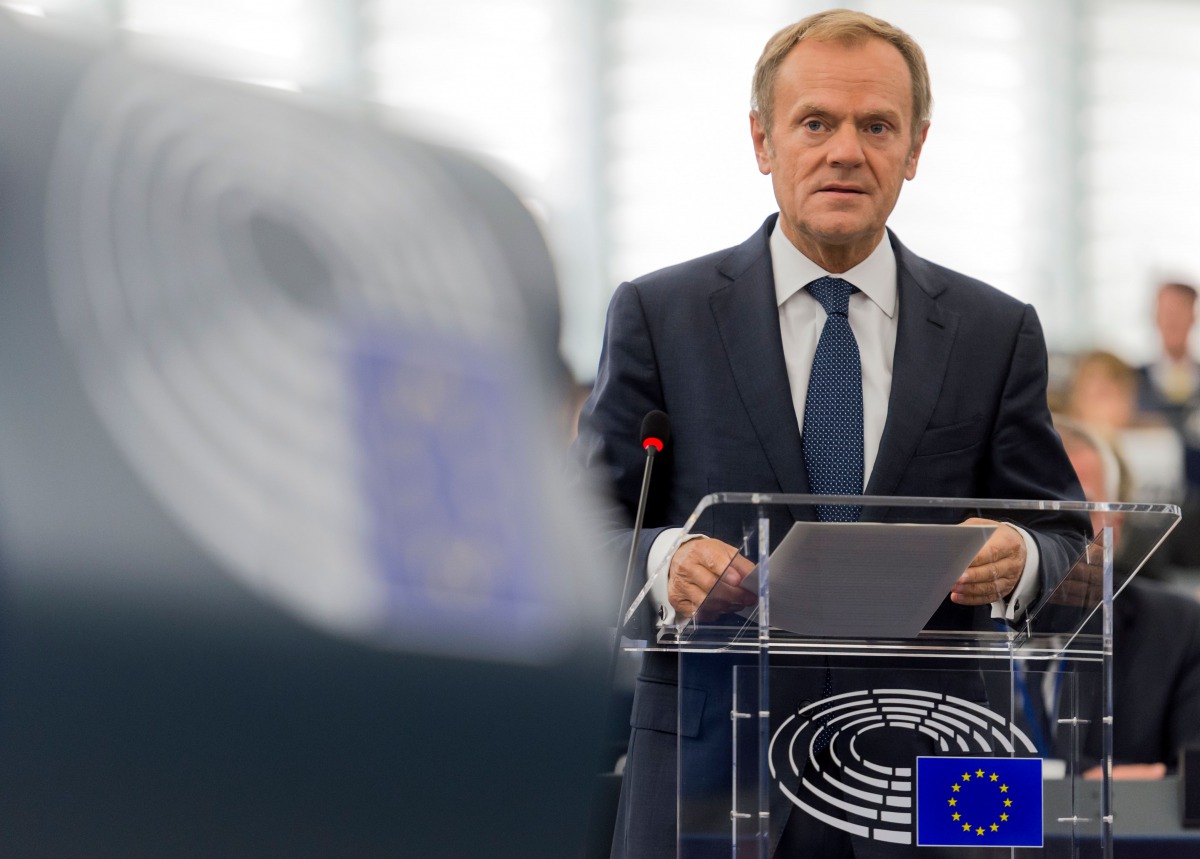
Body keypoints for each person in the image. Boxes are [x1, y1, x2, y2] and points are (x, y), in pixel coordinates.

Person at [575, 9, 1086, 857]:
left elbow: (1064, 530)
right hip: (715, 768)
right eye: (815, 122)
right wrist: (665, 559)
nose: (846, 150)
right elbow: (580, 528)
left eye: (877, 126)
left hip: (940, 765)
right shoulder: (659, 314)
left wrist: (1022, 555)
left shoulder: (997, 329)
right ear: (763, 140)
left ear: (915, 148)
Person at [1054, 418, 1200, 778]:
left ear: (1115, 526)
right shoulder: (949, 629)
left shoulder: (1178, 628)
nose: (1054, 530)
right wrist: (1080, 778)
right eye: (1034, 509)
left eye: (1079, 506)